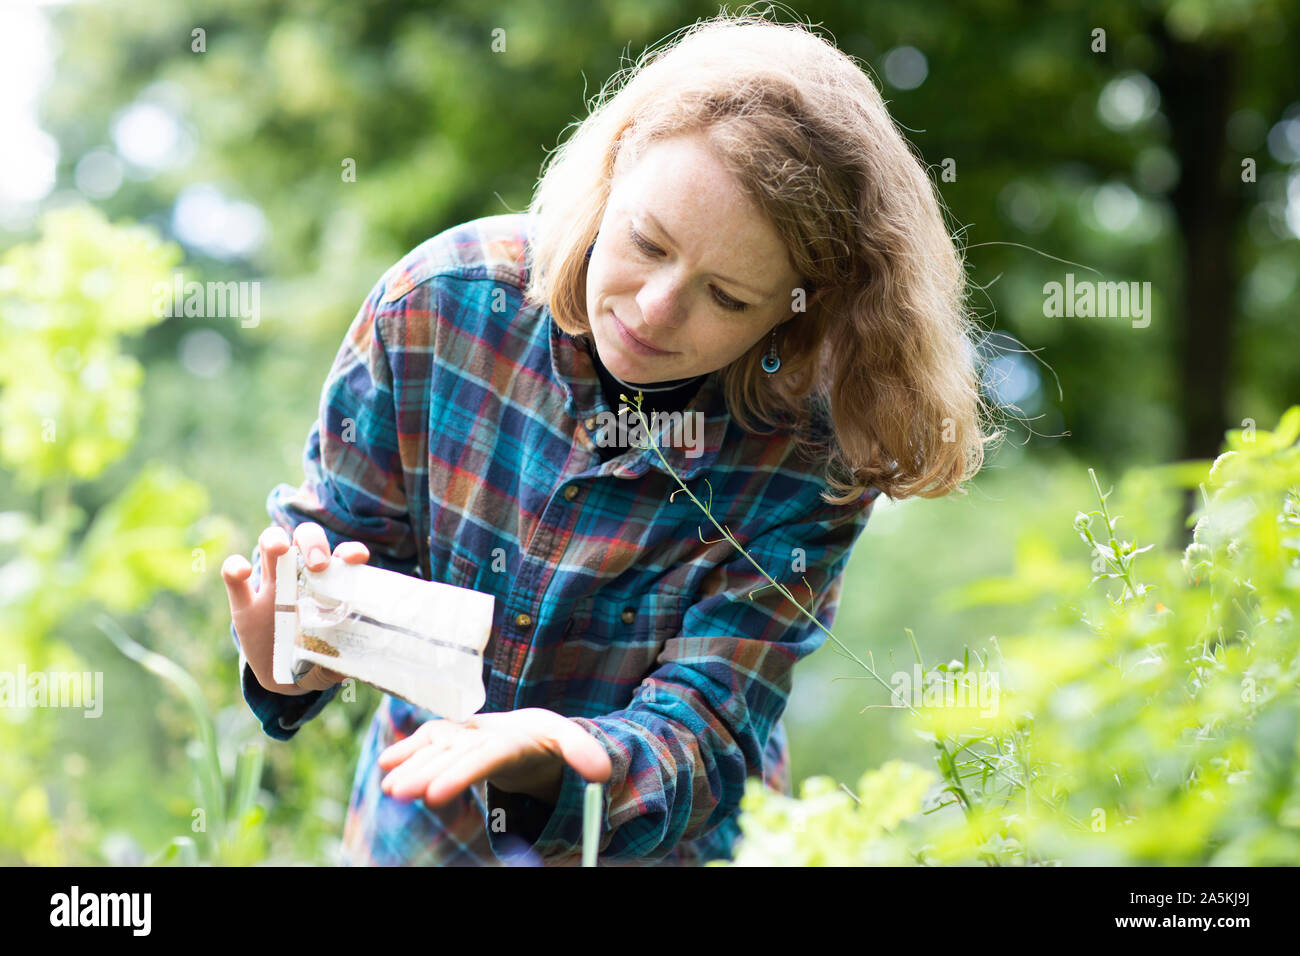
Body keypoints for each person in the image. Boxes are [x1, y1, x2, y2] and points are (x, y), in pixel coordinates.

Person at [222, 12, 991, 866]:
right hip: (423, 832)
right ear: (613, 169)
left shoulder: (810, 454)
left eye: (728, 298)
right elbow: (341, 557)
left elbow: (710, 725)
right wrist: (291, 648)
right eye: (646, 242)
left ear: (800, 310)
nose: (656, 309)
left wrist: (572, 759)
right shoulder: (438, 306)